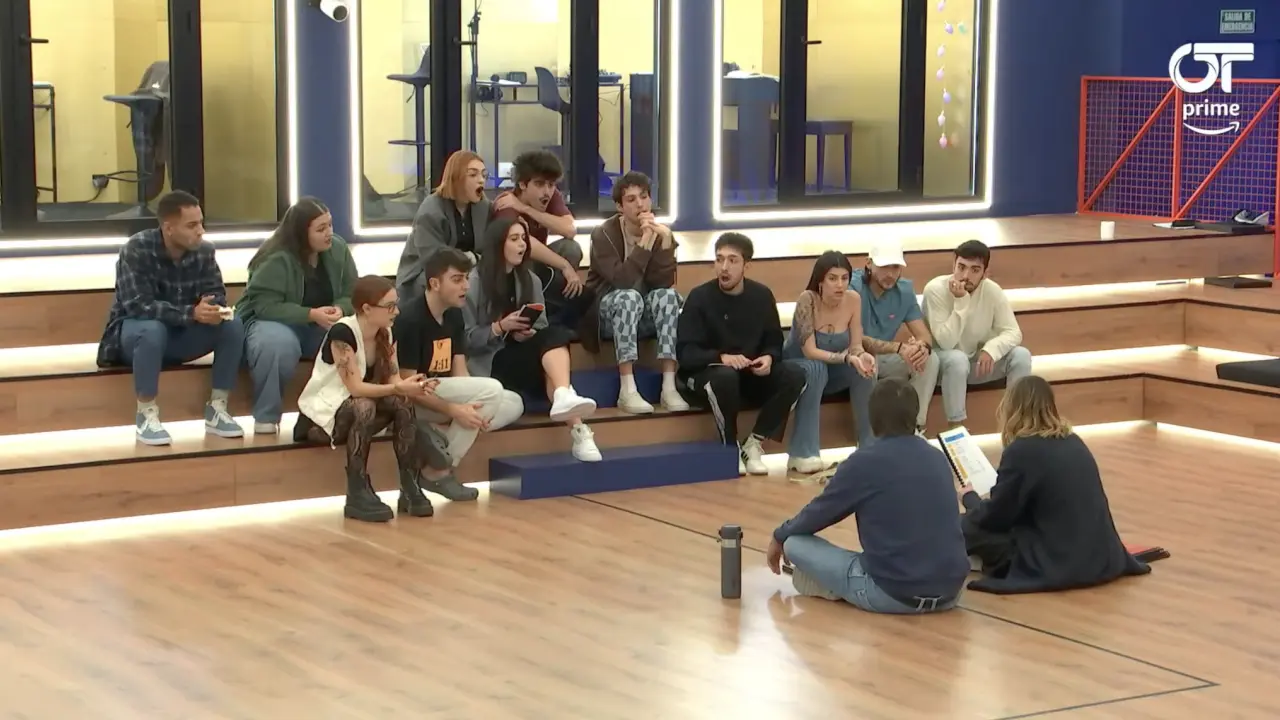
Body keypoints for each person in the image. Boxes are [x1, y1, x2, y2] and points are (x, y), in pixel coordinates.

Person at [767, 378, 970, 614]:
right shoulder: (937, 458)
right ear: (915, 415)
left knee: (794, 543)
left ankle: (836, 587)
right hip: (950, 593)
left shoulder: (863, 462)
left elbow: (819, 513)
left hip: (891, 594)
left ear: (871, 418)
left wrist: (780, 535)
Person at [959, 375, 1151, 594]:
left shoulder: (1022, 450)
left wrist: (970, 499)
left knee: (962, 525)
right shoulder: (1074, 441)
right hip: (1098, 556)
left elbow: (997, 516)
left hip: (1055, 559)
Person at [95, 190, 245, 446]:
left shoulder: (204, 251)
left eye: (201, 223)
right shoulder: (137, 249)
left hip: (181, 335)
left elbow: (215, 292)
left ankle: (217, 408)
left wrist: (213, 309)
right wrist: (191, 313)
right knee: (152, 330)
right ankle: (146, 414)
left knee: (232, 323)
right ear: (168, 228)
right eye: (192, 225)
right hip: (136, 340)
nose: (201, 231)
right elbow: (138, 305)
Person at [295, 275, 439, 522]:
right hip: (322, 418)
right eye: (390, 306)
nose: (397, 311)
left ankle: (410, 485)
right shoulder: (342, 332)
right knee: (364, 405)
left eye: (396, 305)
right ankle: (357, 490)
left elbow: (394, 380)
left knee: (402, 403)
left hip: (360, 410)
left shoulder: (386, 332)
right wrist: (398, 388)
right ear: (367, 309)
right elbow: (355, 388)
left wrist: (413, 387)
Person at [462, 215, 602, 462]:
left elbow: (542, 325)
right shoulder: (474, 282)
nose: (522, 245)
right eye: (514, 239)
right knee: (553, 348)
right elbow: (465, 340)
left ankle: (569, 410)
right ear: (498, 244)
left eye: (524, 239)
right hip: (491, 362)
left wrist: (526, 332)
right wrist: (499, 327)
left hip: (521, 353)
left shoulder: (530, 280)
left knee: (554, 335)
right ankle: (574, 419)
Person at [395, 248, 526, 500]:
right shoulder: (410, 319)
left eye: (466, 278)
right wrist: (454, 410)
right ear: (435, 283)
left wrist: (472, 407)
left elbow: (460, 372)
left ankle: (437, 435)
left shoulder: (454, 314)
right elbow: (406, 387)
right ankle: (438, 471)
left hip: (442, 394)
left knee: (513, 402)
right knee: (492, 391)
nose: (466, 286)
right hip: (415, 401)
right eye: (457, 279)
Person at [675, 232, 807, 475]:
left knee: (795, 374)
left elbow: (774, 340)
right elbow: (687, 353)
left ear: (747, 265)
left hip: (747, 376)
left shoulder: (762, 295)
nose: (724, 267)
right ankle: (730, 447)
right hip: (704, 375)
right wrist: (721, 358)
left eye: (732, 260)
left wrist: (768, 357)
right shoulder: (699, 297)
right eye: (719, 259)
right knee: (725, 377)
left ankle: (754, 442)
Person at [235, 197, 358, 435]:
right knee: (277, 344)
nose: (329, 233)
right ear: (302, 233)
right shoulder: (275, 257)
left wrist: (341, 309)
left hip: (320, 323)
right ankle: (266, 416)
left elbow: (352, 291)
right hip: (272, 322)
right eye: (320, 229)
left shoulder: (338, 249)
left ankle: (332, 416)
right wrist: (311, 314)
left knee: (351, 336)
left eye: (330, 225)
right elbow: (265, 306)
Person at [580, 171, 689, 414]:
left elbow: (662, 283)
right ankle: (627, 389)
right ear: (620, 207)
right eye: (631, 199)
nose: (640, 204)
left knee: (668, 297)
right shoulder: (603, 234)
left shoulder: (660, 233)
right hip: (607, 316)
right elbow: (623, 281)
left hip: (643, 315)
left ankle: (669, 386)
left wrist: (666, 243)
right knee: (628, 298)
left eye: (644, 196)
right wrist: (645, 242)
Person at [922, 240, 1034, 427]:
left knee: (1021, 355)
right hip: (943, 366)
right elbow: (946, 342)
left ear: (985, 273)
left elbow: (1013, 332)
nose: (966, 276)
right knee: (957, 359)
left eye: (975, 270)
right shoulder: (935, 290)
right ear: (953, 264)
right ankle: (956, 427)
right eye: (961, 267)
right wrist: (961, 301)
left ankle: (1017, 424)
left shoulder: (992, 290)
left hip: (977, 364)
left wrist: (991, 349)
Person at [784, 252, 877, 475]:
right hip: (797, 367)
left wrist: (862, 355)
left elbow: (856, 346)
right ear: (821, 280)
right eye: (833, 278)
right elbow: (810, 352)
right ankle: (802, 453)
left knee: (866, 370)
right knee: (817, 368)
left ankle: (870, 446)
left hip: (831, 369)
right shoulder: (807, 300)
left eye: (844, 278)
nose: (840, 285)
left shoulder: (854, 299)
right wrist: (846, 357)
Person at [849, 239, 940, 441]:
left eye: (896, 267)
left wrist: (921, 348)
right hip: (854, 356)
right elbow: (853, 338)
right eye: (884, 267)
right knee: (867, 362)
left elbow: (924, 336)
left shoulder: (904, 290)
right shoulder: (853, 287)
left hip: (885, 360)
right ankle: (870, 439)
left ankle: (914, 427)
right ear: (869, 263)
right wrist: (899, 348)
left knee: (931, 359)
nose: (890, 274)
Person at [490, 150, 592, 328]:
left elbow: (569, 229)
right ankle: (544, 314)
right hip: (510, 269)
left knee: (571, 248)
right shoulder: (506, 203)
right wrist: (564, 266)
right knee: (527, 261)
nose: (547, 191)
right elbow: (524, 244)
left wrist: (526, 209)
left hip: (540, 266)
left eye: (551, 185)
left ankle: (555, 311)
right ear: (522, 184)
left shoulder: (549, 195)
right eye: (539, 184)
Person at [395, 150, 491, 295]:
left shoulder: (483, 206)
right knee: (471, 281)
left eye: (484, 175)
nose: (481, 180)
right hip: (426, 275)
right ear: (456, 178)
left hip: (467, 272)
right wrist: (471, 258)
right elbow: (435, 259)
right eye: (473, 175)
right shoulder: (431, 209)